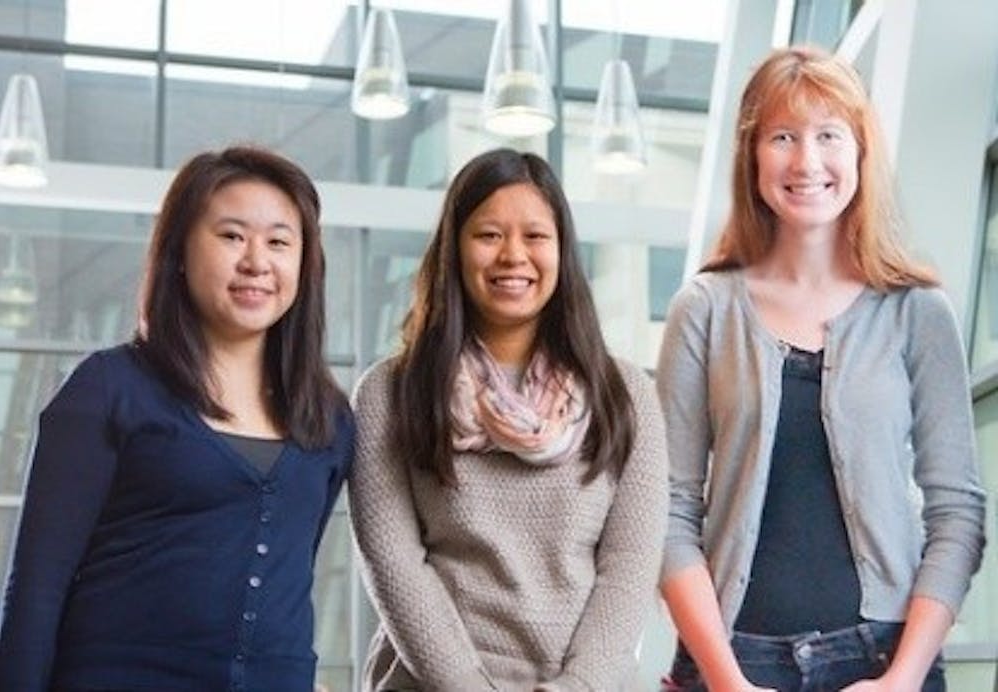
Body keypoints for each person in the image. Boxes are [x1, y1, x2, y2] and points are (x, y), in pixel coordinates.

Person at [656, 45, 986, 692]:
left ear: (860, 152)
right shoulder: (703, 309)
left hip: (884, 661)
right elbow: (667, 511)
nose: (807, 162)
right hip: (730, 660)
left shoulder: (918, 312)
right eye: (783, 137)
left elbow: (958, 514)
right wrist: (727, 682)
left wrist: (902, 679)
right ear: (752, 157)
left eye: (828, 135)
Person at [0, 145, 354, 691]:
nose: (257, 261)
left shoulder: (329, 420)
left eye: (280, 242)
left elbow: (292, 571)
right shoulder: (108, 389)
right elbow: (36, 590)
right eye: (232, 236)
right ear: (180, 250)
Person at [348, 147, 669, 691]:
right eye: (489, 235)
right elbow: (394, 564)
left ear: (562, 252)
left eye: (535, 236)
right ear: (454, 250)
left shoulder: (627, 394)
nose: (513, 255)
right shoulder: (389, 392)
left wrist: (578, 687)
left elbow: (630, 568)